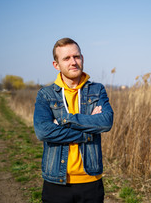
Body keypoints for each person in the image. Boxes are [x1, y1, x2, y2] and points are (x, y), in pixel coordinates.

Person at [33, 37, 114, 203]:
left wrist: (64, 120)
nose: (73, 62)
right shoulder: (46, 95)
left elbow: (106, 122)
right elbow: (43, 131)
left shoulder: (97, 90)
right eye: (66, 58)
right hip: (56, 182)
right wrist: (88, 130)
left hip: (91, 182)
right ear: (56, 65)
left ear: (82, 58)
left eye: (76, 56)